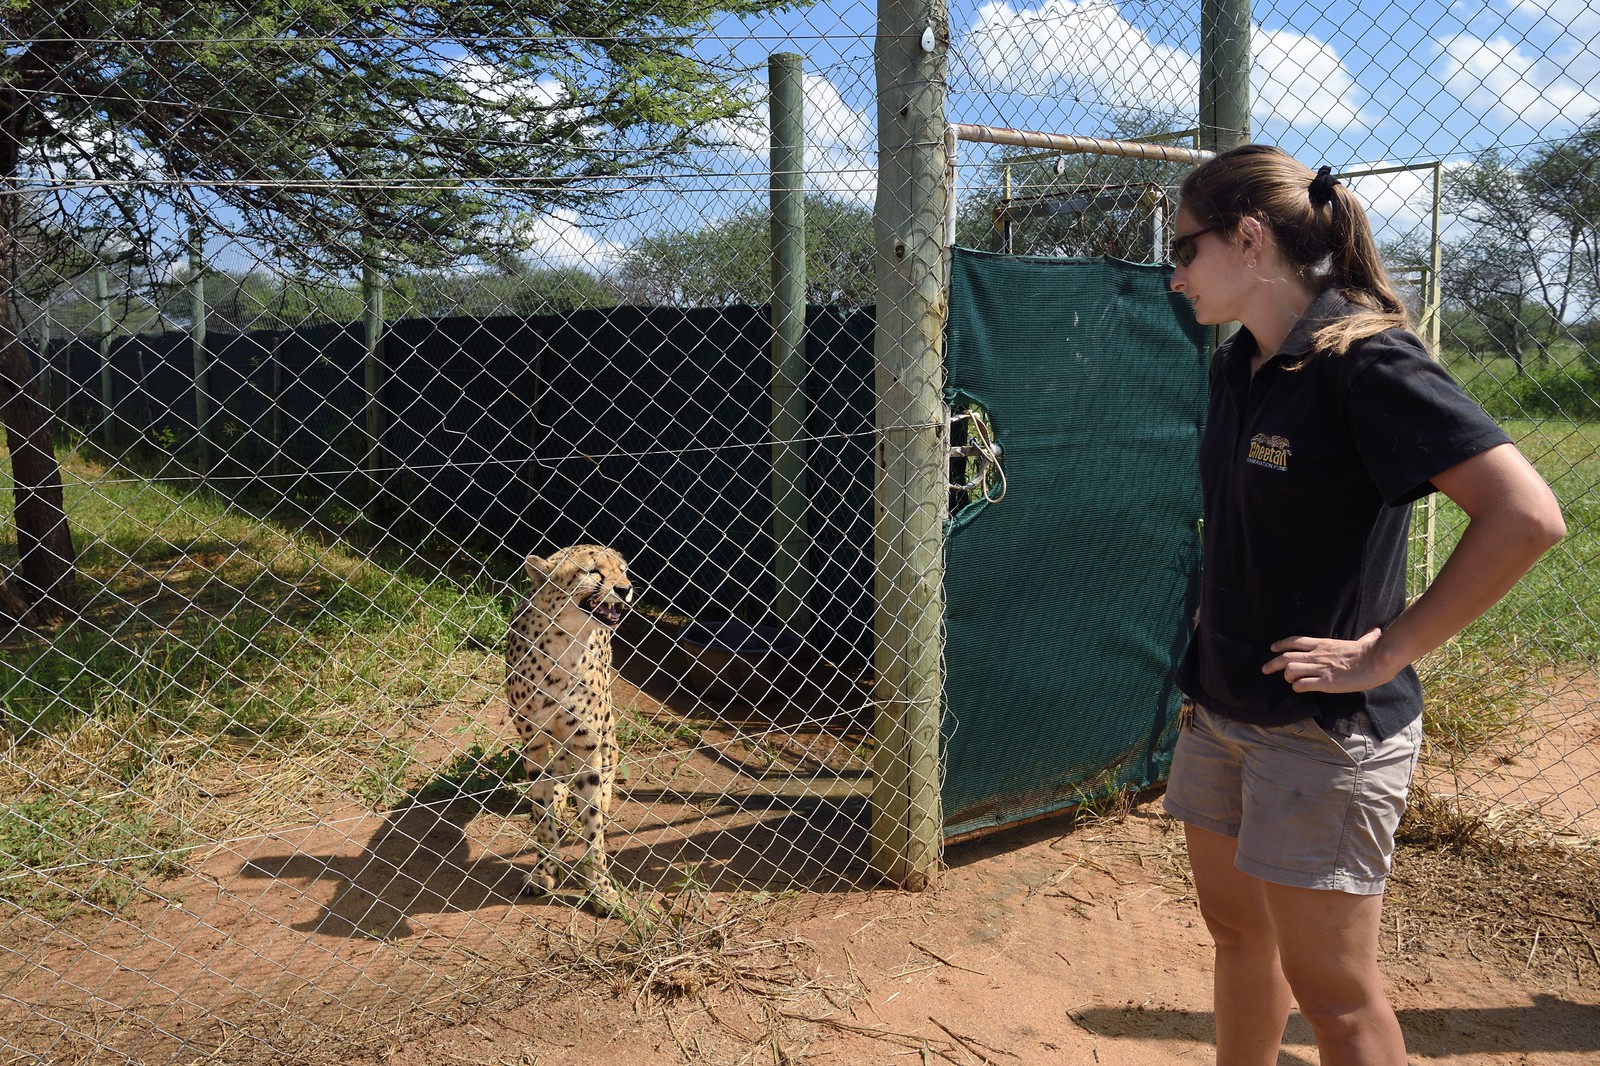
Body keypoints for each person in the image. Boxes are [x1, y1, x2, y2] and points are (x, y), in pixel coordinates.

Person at [1162, 143, 1565, 1066]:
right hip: (1223, 705)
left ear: (1249, 238)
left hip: (1321, 730)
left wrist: (1383, 653)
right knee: (1238, 937)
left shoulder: (1366, 359)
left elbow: (1527, 517)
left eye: (1185, 249)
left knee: (1336, 996)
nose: (1175, 274)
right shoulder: (1240, 362)